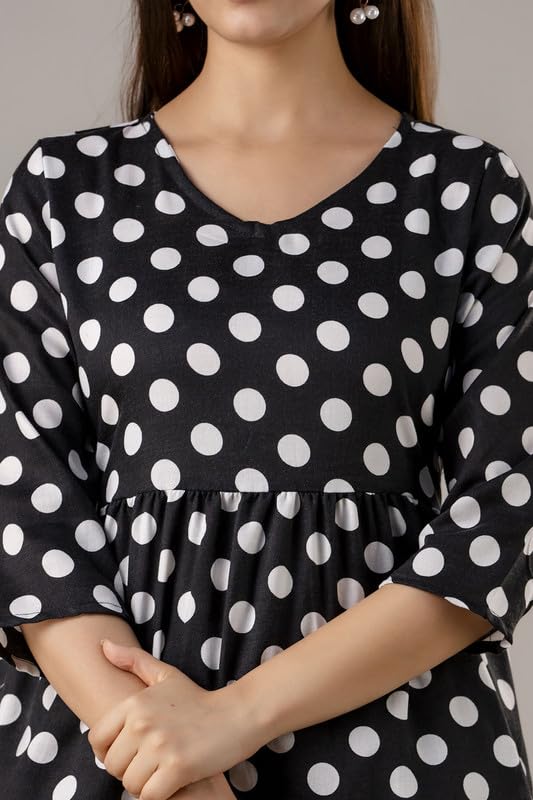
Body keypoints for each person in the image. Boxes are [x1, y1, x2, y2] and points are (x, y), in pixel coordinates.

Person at [1, 0, 533, 798]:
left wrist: (233, 718)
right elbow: (24, 505)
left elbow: (502, 508)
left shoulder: (466, 190)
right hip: (113, 753)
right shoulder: (64, 189)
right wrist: (173, 773)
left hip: (401, 749)